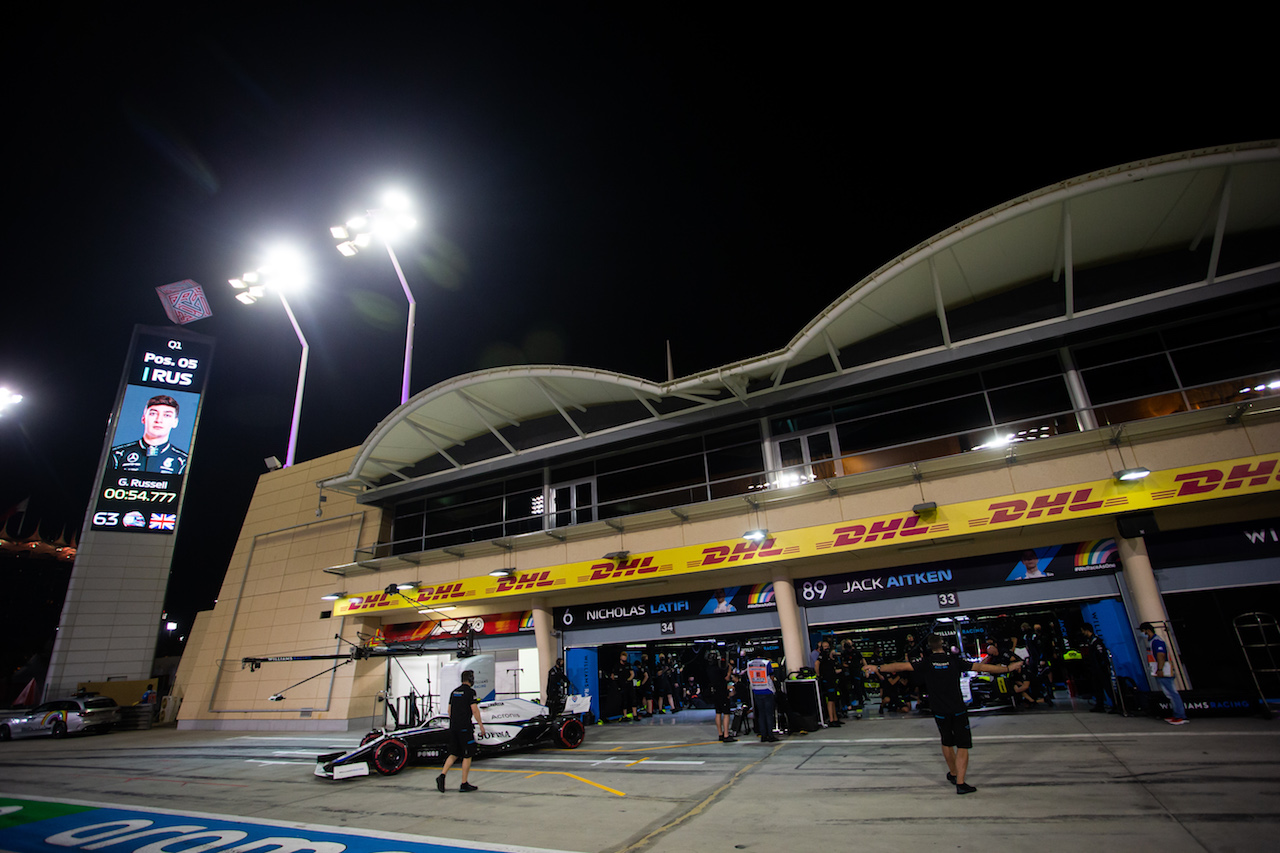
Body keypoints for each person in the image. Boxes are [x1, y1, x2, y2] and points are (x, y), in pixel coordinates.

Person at [864, 634, 1022, 794]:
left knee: (946, 741)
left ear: (929, 647)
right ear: (943, 645)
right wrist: (1007, 668)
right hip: (957, 708)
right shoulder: (954, 660)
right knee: (962, 744)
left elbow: (901, 666)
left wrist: (877, 668)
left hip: (939, 709)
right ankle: (960, 783)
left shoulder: (925, 662)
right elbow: (980, 667)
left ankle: (953, 773)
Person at [110, 395, 189, 474]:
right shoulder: (117, 455)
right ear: (143, 418)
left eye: (167, 415)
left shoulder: (184, 462)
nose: (158, 420)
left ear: (175, 422)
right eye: (153, 413)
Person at [437, 670, 486, 793]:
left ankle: (442, 775)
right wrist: (481, 726)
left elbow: (449, 710)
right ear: (470, 679)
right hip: (465, 728)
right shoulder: (470, 692)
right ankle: (464, 783)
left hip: (453, 727)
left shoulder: (454, 692)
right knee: (467, 754)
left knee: (453, 753)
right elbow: (475, 710)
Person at [1140, 622, 1188, 725]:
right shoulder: (1151, 641)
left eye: (1143, 631)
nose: (1142, 634)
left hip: (1165, 671)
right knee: (1169, 694)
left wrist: (1160, 669)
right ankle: (1176, 714)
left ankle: (1180, 716)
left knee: (1172, 693)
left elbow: (1161, 655)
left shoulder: (1157, 641)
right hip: (1160, 671)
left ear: (1147, 630)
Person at [1079, 624, 1116, 713]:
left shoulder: (1096, 641)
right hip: (1095, 669)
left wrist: (1102, 666)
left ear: (1086, 630)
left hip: (1101, 669)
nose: (1082, 632)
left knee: (1108, 687)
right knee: (1097, 688)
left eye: (1082, 630)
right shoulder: (1090, 641)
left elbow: (1101, 655)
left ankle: (1116, 705)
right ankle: (1100, 705)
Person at [746, 655, 779, 742]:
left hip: (756, 690)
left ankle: (763, 735)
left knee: (761, 714)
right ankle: (770, 735)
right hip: (767, 690)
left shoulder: (749, 664)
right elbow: (771, 676)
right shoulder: (766, 663)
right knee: (769, 713)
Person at [709, 651, 735, 742]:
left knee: (718, 712)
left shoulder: (709, 669)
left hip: (714, 692)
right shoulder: (720, 669)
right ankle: (726, 735)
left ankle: (720, 733)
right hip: (722, 691)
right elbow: (727, 677)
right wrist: (729, 669)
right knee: (726, 713)